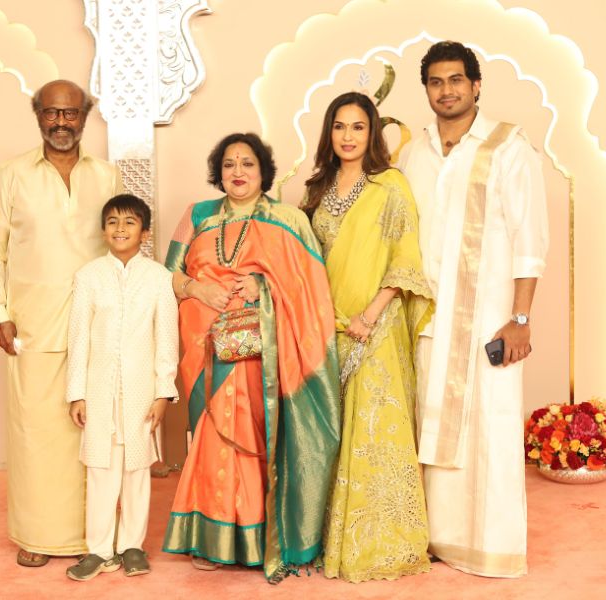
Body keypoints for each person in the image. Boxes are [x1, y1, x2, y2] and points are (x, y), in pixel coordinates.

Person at [161, 132, 341, 584]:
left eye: (247, 164)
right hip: (204, 347)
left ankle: (258, 538)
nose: (237, 172)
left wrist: (264, 287)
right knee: (210, 436)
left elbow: (312, 288)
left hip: (263, 349)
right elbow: (166, 275)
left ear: (263, 172)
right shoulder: (197, 215)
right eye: (229, 164)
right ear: (218, 173)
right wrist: (197, 288)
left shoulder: (288, 219)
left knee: (257, 437)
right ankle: (211, 539)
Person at [399, 41, 549, 577]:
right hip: (426, 319)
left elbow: (530, 238)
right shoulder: (414, 153)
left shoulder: (508, 147)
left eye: (456, 80)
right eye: (436, 82)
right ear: (426, 89)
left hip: (489, 318)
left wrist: (521, 318)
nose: (447, 90)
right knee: (428, 422)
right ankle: (435, 539)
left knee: (490, 427)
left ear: (476, 85)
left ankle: (491, 547)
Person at [0, 80, 124, 567]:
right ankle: (38, 536)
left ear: (85, 116)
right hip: (32, 325)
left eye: (71, 113)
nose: (61, 122)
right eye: (52, 113)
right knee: (36, 434)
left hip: (97, 323)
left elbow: (122, 243)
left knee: (93, 432)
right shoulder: (11, 174)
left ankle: (93, 536)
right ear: (38, 114)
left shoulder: (107, 175)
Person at [302, 92, 434, 582]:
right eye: (339, 126)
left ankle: (381, 543)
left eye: (358, 127)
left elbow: (406, 257)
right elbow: (306, 259)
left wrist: (371, 314)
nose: (348, 136)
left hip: (375, 325)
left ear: (372, 133)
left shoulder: (390, 184)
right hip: (328, 324)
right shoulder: (317, 188)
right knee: (334, 434)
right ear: (329, 133)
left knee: (375, 431)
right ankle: (330, 539)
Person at [64, 194, 179, 580]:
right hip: (99, 391)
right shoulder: (89, 276)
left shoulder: (159, 278)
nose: (120, 229)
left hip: (141, 392)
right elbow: (79, 338)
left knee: (136, 469)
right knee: (100, 469)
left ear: (144, 233)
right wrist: (77, 393)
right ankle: (99, 550)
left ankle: (132, 546)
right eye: (112, 222)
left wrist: (163, 392)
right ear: (103, 230)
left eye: (130, 222)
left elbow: (166, 339)